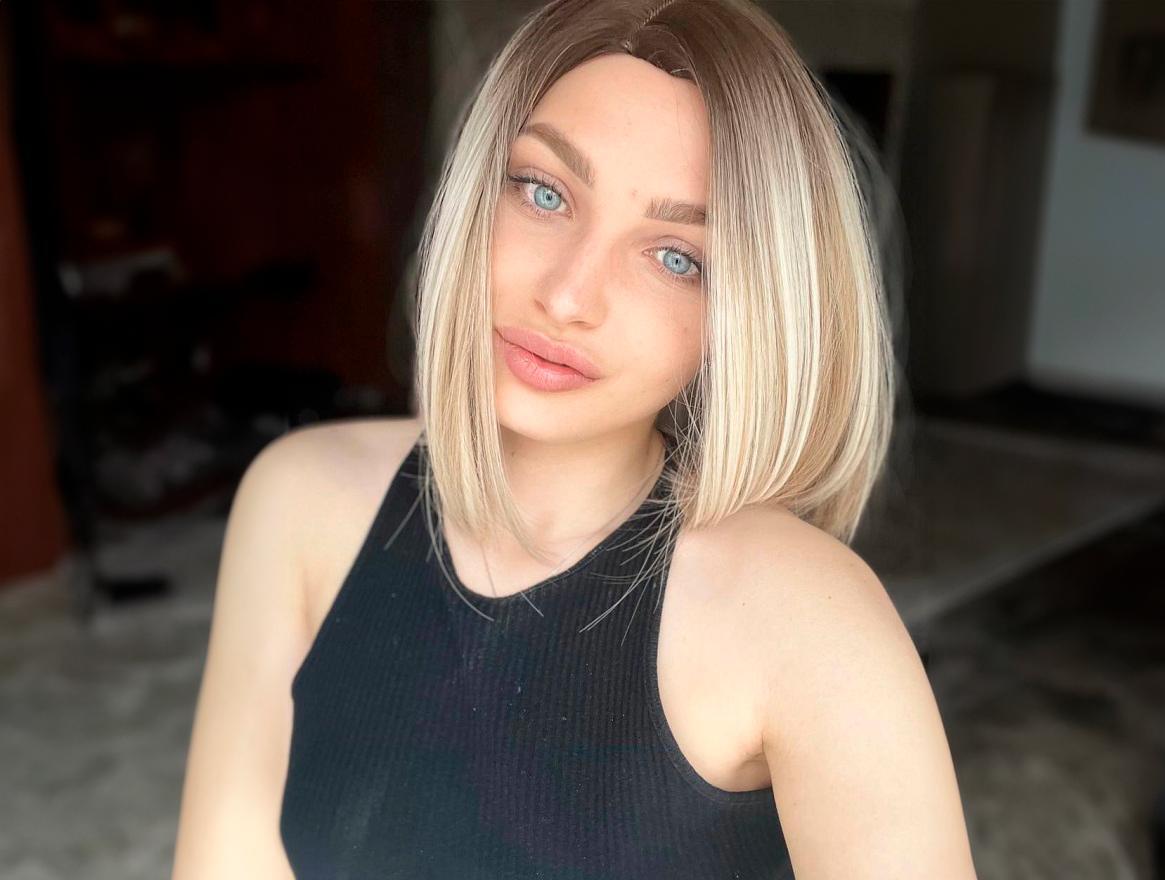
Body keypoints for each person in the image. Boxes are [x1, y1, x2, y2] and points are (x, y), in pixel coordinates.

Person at [172, 0, 978, 877]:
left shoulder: (810, 622)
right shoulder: (300, 500)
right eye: (545, 192)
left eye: (676, 257)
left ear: (749, 317)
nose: (566, 296)